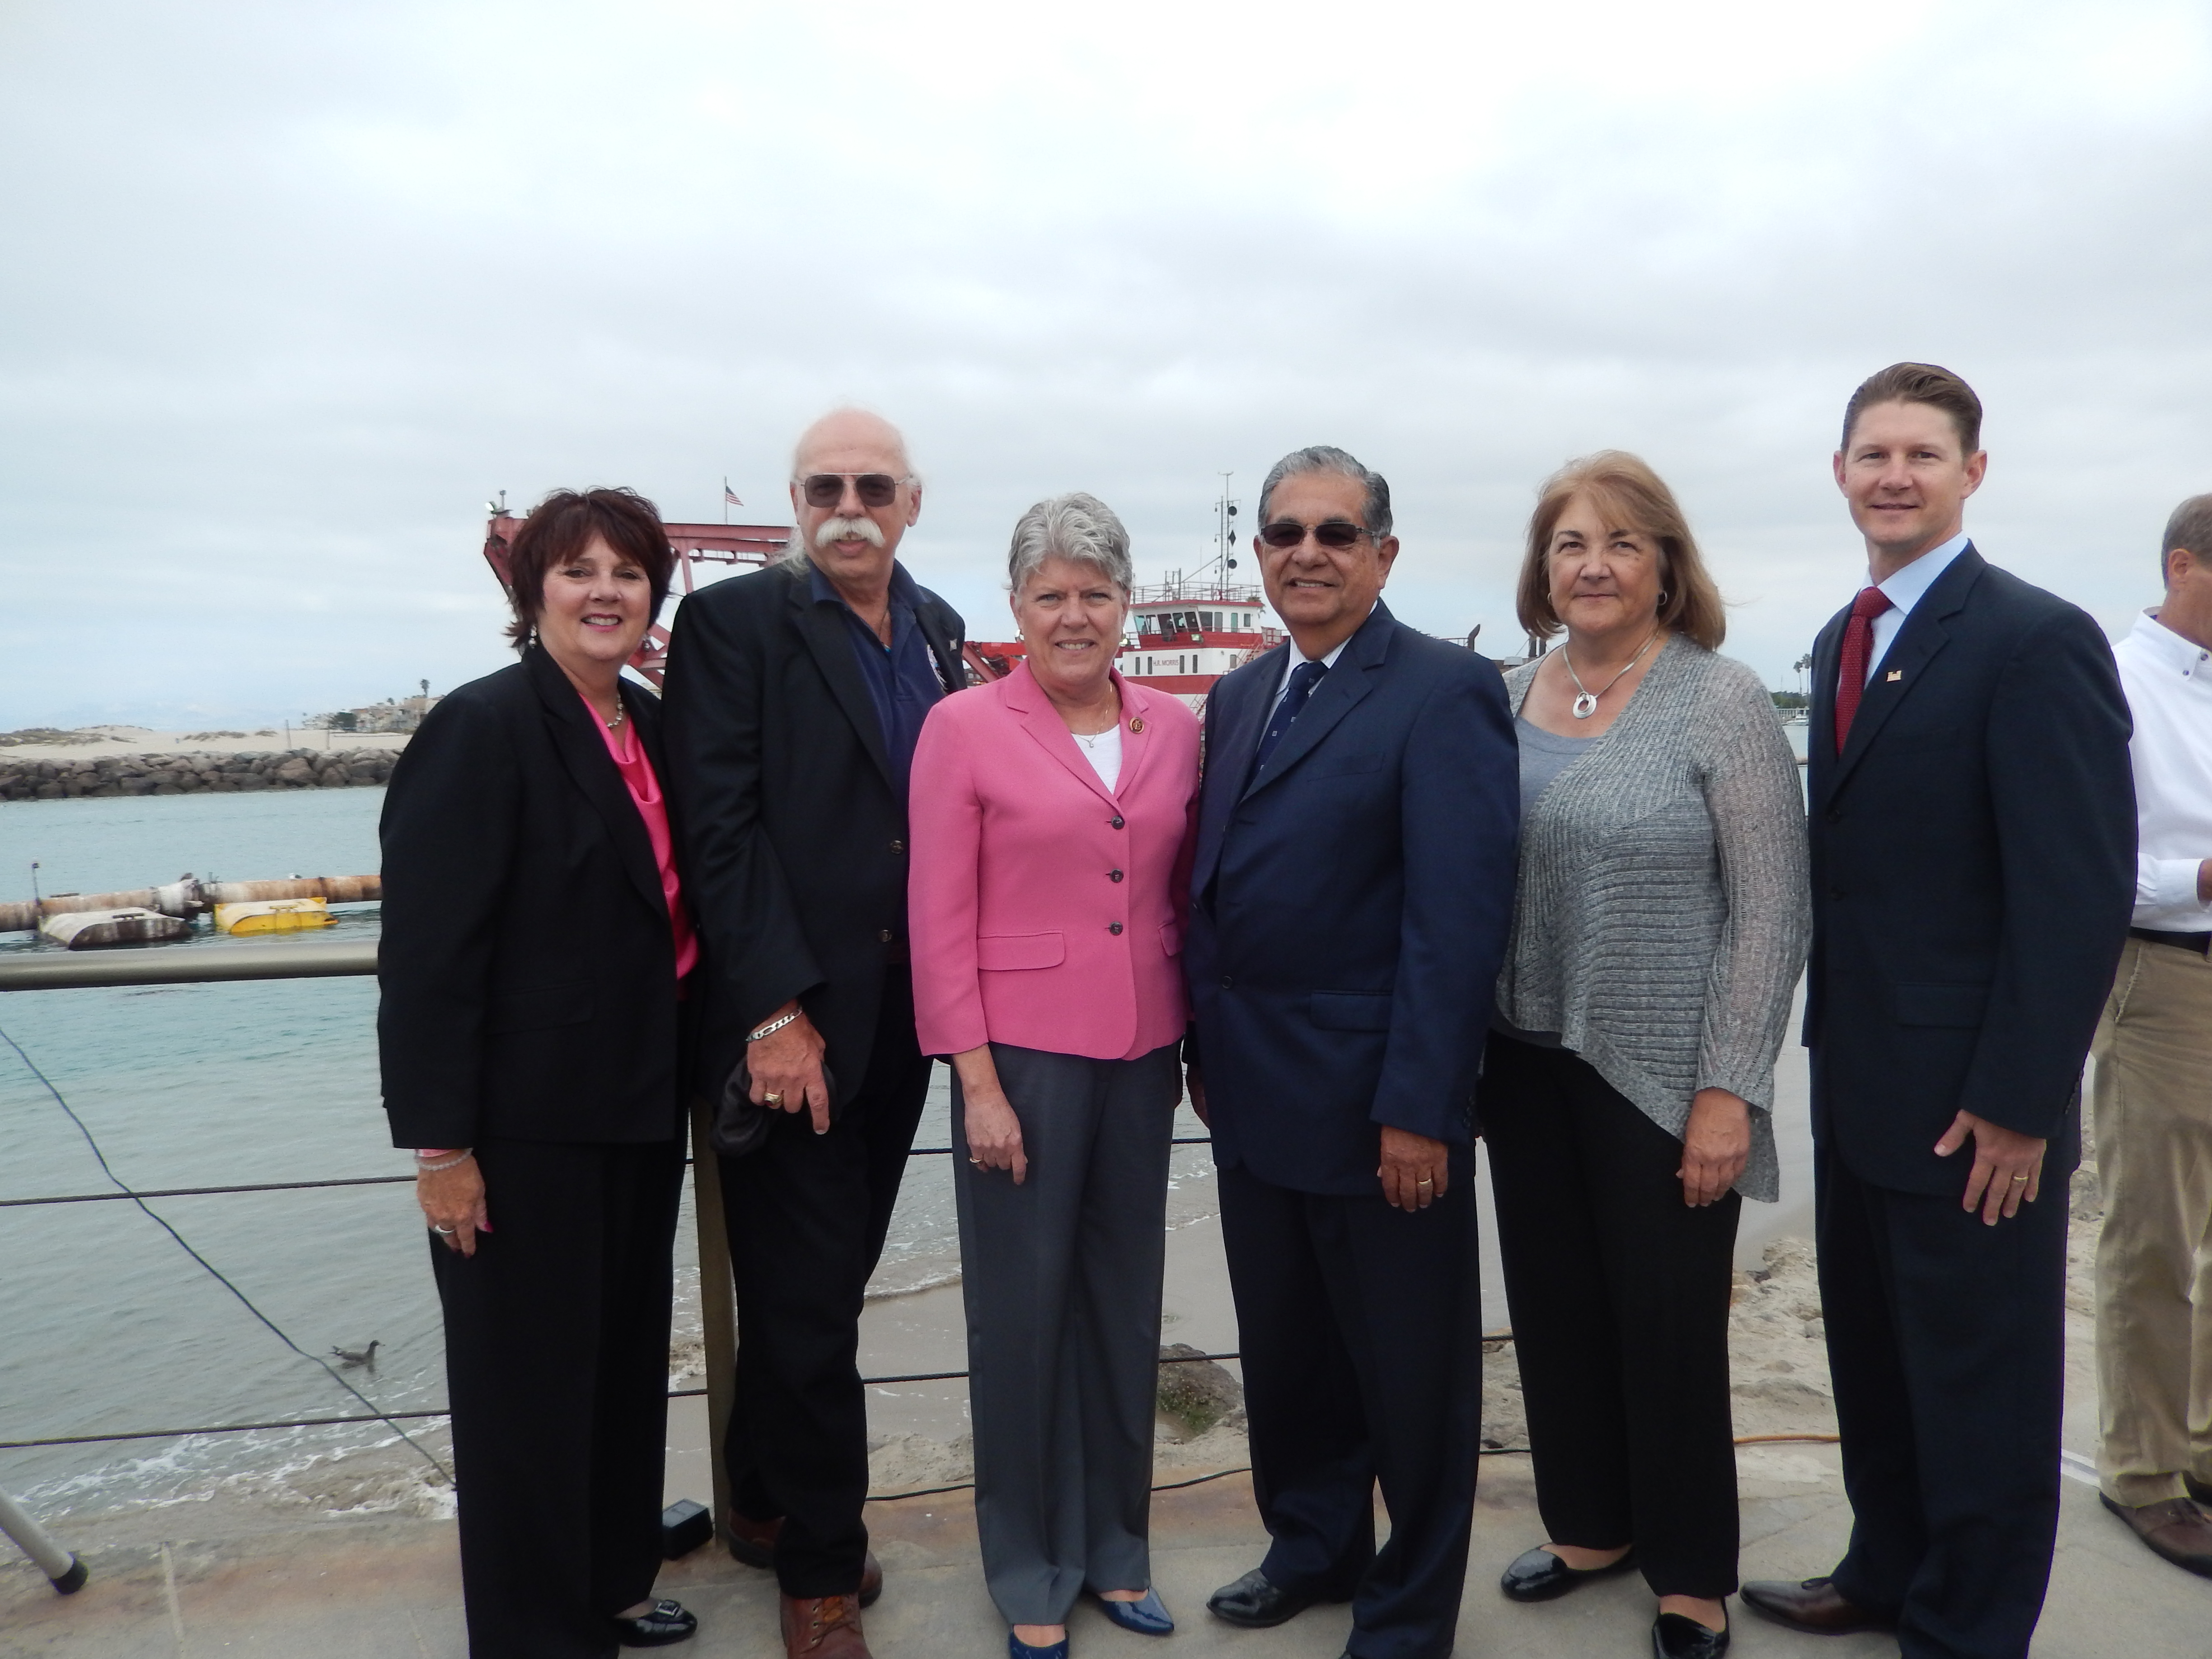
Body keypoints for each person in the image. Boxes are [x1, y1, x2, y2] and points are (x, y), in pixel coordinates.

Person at [1741, 364, 2136, 1659]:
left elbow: (2074, 895)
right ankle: (1888, 1566)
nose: (1894, 476)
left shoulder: (2034, 637)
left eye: (1922, 454)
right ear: (1843, 473)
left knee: (1982, 1388)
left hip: (1978, 1110)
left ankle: (1968, 1630)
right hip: (1862, 1087)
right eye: (1872, 455)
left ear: (1974, 472)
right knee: (1878, 1361)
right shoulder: (1843, 636)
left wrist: (2022, 1105)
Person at [1185, 446, 1519, 1659]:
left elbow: (1455, 920)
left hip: (1382, 1102)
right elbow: (1215, 891)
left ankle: (1411, 1605)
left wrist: (1422, 1107)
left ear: (1384, 552)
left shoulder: (1443, 691)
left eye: (1336, 532)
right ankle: (1313, 1548)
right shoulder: (1236, 698)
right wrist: (1199, 1051)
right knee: (1288, 1353)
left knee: (1414, 1376)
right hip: (1251, 1090)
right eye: (1285, 533)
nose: (1306, 553)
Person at [1482, 453, 1809, 1659]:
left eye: (1622, 542)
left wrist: (1731, 1088)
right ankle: (1588, 1527)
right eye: (1573, 543)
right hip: (1519, 1058)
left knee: (1668, 1322)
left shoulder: (1720, 699)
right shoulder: (1509, 692)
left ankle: (1688, 1573)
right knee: (1554, 1305)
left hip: (1667, 1070)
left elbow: (1773, 913)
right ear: (1544, 567)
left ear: (1666, 565)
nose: (1596, 565)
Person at [661, 409, 966, 1659]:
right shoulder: (735, 627)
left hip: (905, 1027)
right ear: (794, 501)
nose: (850, 505)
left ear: (911, 501)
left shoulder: (940, 629)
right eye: (825, 486)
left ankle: (764, 1498)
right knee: (804, 1309)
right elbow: (716, 833)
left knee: (817, 1288)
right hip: (796, 1028)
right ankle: (822, 1581)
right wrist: (774, 1014)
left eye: (873, 486)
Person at [380, 487, 701, 1657]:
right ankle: (531, 1632)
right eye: (579, 571)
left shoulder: (651, 724)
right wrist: (442, 1148)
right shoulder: (482, 728)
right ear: (534, 593)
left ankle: (611, 1582)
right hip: (518, 1135)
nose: (606, 590)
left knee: (618, 1371)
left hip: (631, 1109)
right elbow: (426, 959)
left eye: (627, 571)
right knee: (524, 1399)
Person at [908, 493, 1202, 1659]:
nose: (1074, 614)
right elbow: (937, 922)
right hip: (1017, 1061)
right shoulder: (964, 728)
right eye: (1051, 594)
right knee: (1021, 1318)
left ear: (1127, 605)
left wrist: (1197, 1044)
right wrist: (975, 1081)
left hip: (1144, 1054)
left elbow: (1184, 894)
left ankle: (1119, 1553)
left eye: (1096, 592)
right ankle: (1029, 1562)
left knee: (1123, 1311)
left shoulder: (1177, 728)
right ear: (1016, 609)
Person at [2089, 492, 2212, 1575]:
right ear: (2184, 566)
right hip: (2165, 972)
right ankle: (2143, 1471)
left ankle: (2206, 1449)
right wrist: (2200, 876)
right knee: (2155, 1237)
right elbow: (2085, 867)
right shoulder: (2111, 684)